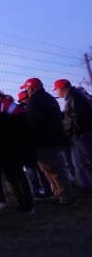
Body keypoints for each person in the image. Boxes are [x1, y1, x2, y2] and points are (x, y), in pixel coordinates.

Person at [0, 85, 34, 213]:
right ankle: (21, 202)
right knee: (11, 178)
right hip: (1, 148)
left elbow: (21, 117)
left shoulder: (5, 103)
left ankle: (28, 203)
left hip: (12, 147)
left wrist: (0, 118)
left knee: (19, 176)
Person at [21, 77, 76, 205]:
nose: (27, 91)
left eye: (27, 88)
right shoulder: (48, 98)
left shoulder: (35, 101)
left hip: (43, 141)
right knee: (50, 169)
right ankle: (58, 193)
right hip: (52, 138)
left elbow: (34, 122)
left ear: (32, 88)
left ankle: (65, 195)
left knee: (53, 169)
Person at [54, 79, 92, 193]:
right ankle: (86, 187)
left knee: (87, 161)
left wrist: (67, 129)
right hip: (78, 135)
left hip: (81, 135)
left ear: (61, 89)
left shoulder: (74, 98)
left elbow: (76, 118)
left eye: (56, 90)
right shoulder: (75, 96)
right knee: (79, 163)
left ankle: (87, 186)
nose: (56, 93)